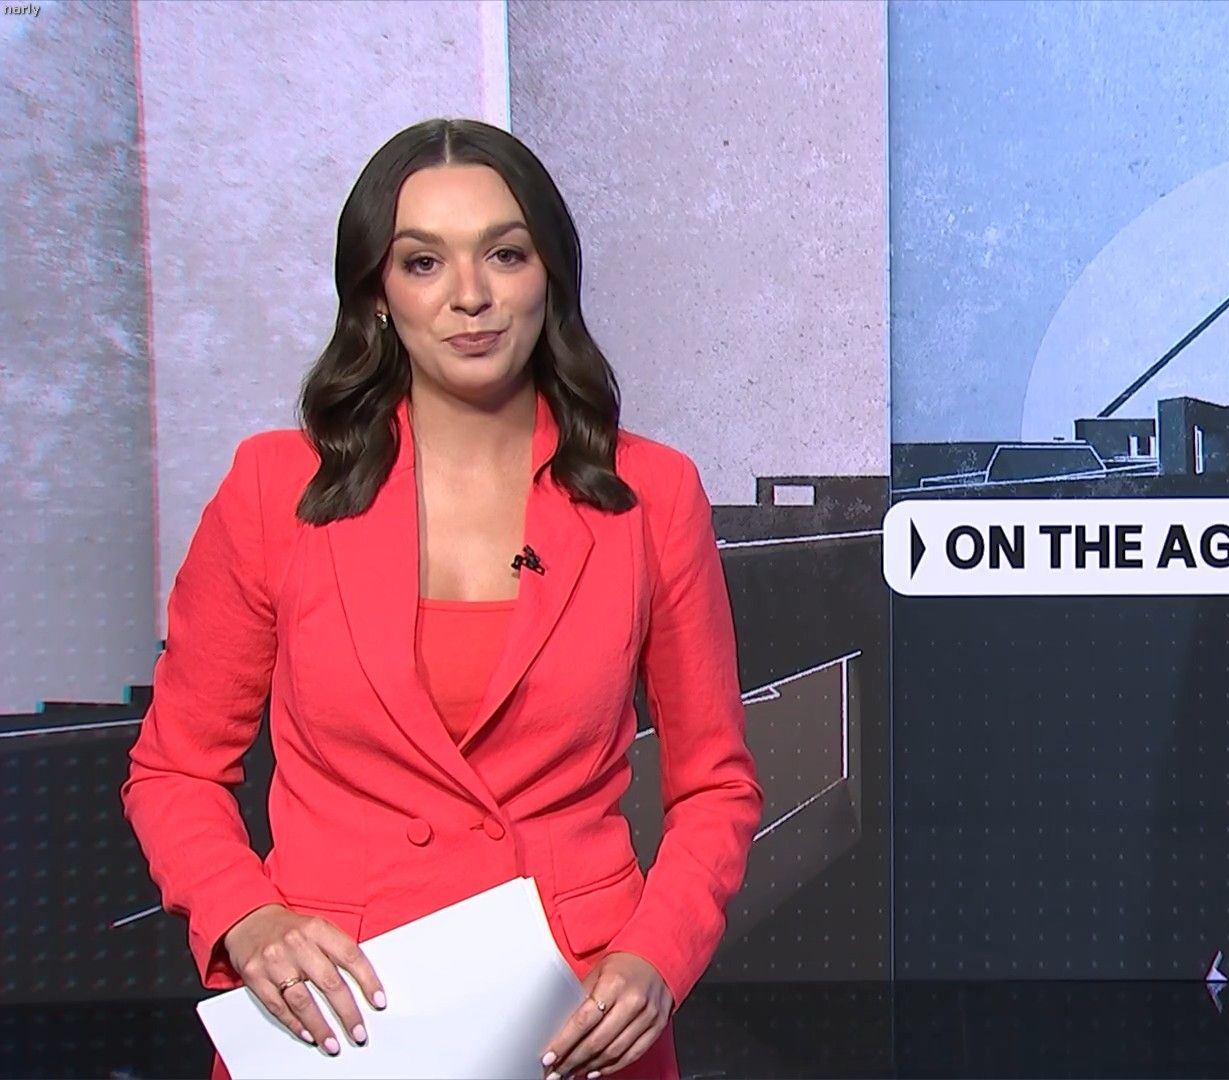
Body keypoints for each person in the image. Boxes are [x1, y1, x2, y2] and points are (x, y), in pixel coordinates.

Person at [120, 117, 764, 1080]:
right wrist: (247, 920)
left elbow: (715, 784)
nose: (470, 295)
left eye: (505, 254)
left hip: (578, 1014)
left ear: (550, 276)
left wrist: (656, 958)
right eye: (423, 262)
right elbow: (174, 770)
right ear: (378, 296)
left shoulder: (650, 494)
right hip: (336, 1018)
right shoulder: (273, 488)